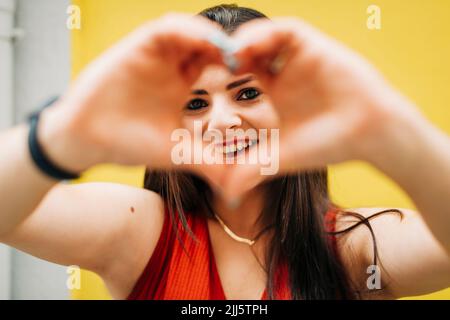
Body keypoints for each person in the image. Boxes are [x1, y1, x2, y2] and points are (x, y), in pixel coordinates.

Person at [0, 4, 449, 300]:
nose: (221, 122)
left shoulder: (351, 247)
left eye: (248, 94)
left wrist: (391, 131)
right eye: (195, 104)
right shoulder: (140, 231)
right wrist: (64, 132)